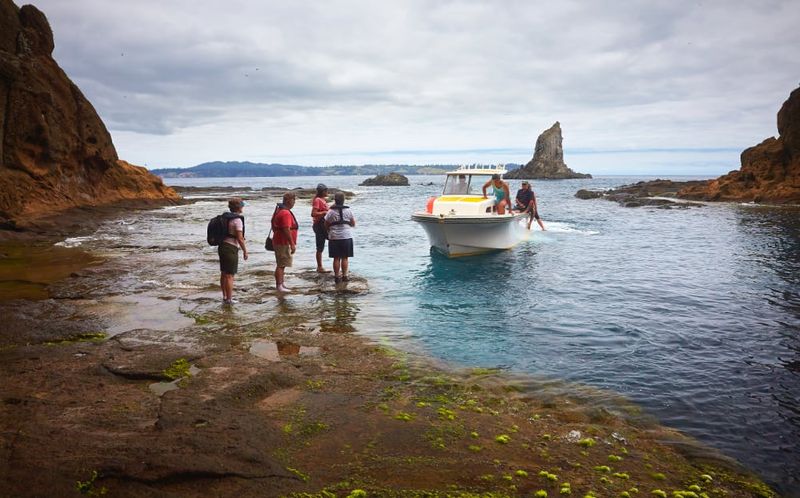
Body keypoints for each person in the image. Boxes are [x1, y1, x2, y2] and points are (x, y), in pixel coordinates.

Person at [219, 197, 248, 305]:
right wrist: (245, 251)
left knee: (224, 273)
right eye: (242, 205)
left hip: (222, 246)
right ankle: (229, 300)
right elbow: (240, 238)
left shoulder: (225, 218)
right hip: (231, 248)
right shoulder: (237, 220)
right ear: (239, 207)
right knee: (230, 275)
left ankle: (225, 296)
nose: (243, 207)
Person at [324, 192, 355, 284]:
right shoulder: (348, 211)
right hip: (346, 236)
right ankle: (345, 275)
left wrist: (329, 231)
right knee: (345, 257)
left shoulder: (331, 212)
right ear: (343, 200)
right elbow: (353, 223)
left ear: (335, 200)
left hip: (334, 237)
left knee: (336, 258)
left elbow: (325, 224)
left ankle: (337, 276)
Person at [271, 192, 298, 293]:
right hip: (283, 242)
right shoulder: (285, 213)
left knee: (282, 264)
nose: (294, 202)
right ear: (288, 200)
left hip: (279, 240)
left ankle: (281, 284)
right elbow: (286, 229)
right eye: (293, 200)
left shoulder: (279, 211)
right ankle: (279, 285)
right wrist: (292, 243)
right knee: (281, 264)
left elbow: (272, 223)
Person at [311, 183, 330, 273]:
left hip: (323, 225)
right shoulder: (317, 200)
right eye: (326, 190)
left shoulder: (323, 200)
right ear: (322, 192)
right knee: (320, 246)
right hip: (319, 225)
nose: (327, 192)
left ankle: (322, 266)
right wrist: (324, 212)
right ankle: (319, 267)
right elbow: (313, 213)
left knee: (330, 241)